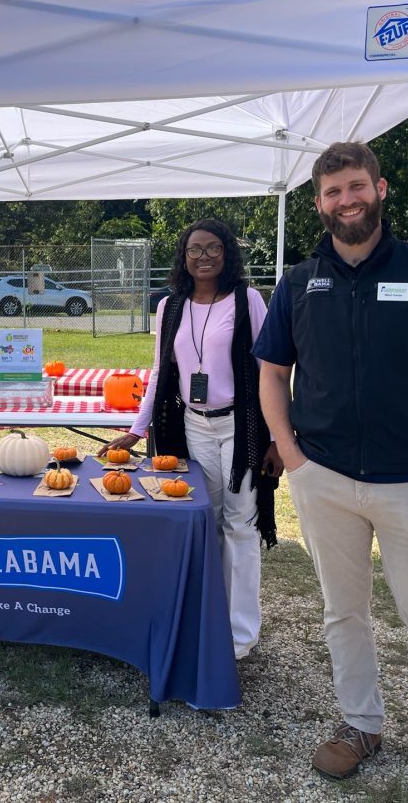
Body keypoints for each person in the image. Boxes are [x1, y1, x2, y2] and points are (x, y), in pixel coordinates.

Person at [254, 142, 408, 802]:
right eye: (332, 192)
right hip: (324, 480)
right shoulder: (298, 282)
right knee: (342, 613)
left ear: (380, 189)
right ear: (320, 203)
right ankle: (361, 725)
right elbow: (272, 372)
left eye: (356, 186)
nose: (345, 200)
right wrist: (291, 454)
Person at [99, 218, 281, 661]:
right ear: (184, 255)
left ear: (227, 253)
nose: (204, 257)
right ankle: (210, 617)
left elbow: (269, 370)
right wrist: (138, 429)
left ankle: (240, 635)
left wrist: (277, 436)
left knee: (241, 524)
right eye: (195, 249)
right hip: (193, 426)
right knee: (207, 521)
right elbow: (162, 370)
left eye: (213, 248)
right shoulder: (170, 306)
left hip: (242, 426)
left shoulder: (247, 299)